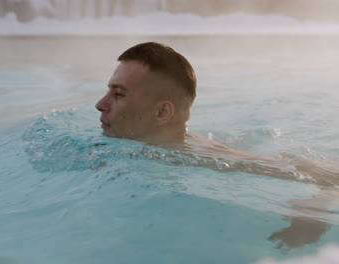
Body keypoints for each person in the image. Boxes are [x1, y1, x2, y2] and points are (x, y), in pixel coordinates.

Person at [95, 42, 339, 249]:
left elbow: (322, 173)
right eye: (109, 91)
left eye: (119, 94)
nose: (100, 104)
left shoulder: (198, 157)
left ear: (162, 112)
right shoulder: (163, 145)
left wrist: (314, 210)